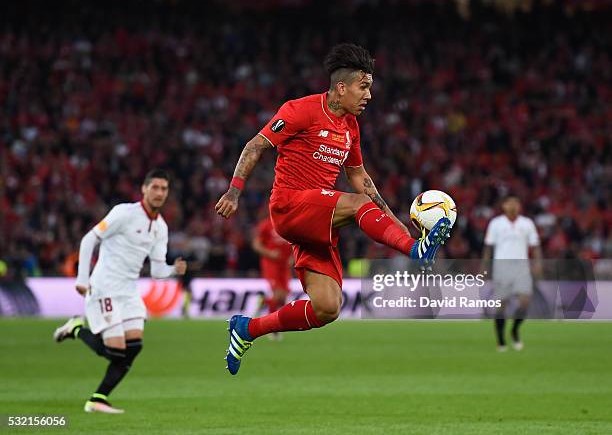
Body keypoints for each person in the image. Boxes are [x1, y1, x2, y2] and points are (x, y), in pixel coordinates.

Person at [215, 43, 452, 375]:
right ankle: (416, 251)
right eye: (363, 86)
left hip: (317, 222)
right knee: (357, 205)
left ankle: (247, 329)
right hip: (290, 206)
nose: (369, 95)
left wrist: (398, 224)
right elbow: (256, 145)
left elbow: (360, 178)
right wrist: (234, 191)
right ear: (341, 88)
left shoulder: (351, 127)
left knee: (328, 308)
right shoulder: (300, 110)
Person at [53, 169, 187, 413]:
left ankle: (98, 398)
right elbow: (88, 240)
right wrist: (82, 278)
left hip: (129, 291)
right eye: (154, 187)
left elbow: (157, 271)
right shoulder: (124, 213)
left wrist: (173, 270)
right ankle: (75, 329)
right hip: (104, 287)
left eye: (163, 189)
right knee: (116, 350)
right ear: (144, 189)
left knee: (134, 347)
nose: (159, 193)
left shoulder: (161, 228)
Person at [483, 196, 542, 351]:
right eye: (509, 203)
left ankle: (515, 330)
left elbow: (535, 245)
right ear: (503, 206)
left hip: (521, 267)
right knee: (501, 305)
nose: (513, 206)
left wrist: (538, 263)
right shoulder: (496, 223)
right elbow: (488, 247)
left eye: (516, 203)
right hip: (502, 267)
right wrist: (484, 267)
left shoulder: (527, 224)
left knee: (525, 301)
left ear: (520, 206)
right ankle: (501, 340)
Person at [251, 214, 293, 339]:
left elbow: (296, 243)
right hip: (271, 264)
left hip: (284, 266)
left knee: (283, 299)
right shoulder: (266, 225)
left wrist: (293, 257)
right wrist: (269, 253)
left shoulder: (289, 224)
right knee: (278, 295)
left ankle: (263, 301)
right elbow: (256, 245)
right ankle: (272, 329)